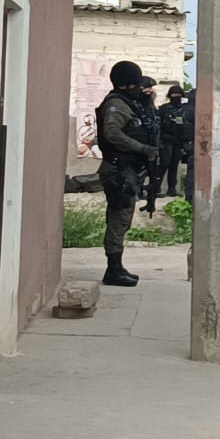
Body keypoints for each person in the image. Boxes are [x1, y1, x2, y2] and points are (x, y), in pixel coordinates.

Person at [96, 61, 159, 287]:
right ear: (126, 85)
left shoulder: (130, 103)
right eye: (135, 84)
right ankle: (113, 269)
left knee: (123, 218)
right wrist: (141, 149)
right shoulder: (116, 104)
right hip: (118, 170)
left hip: (127, 171)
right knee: (118, 218)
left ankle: (117, 266)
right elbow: (112, 133)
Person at [157, 85, 188, 197]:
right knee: (164, 164)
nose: (176, 97)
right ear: (170, 96)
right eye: (174, 95)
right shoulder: (164, 109)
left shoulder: (183, 109)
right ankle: (156, 187)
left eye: (179, 95)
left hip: (178, 141)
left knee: (174, 166)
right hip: (166, 140)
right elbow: (158, 126)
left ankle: (172, 189)